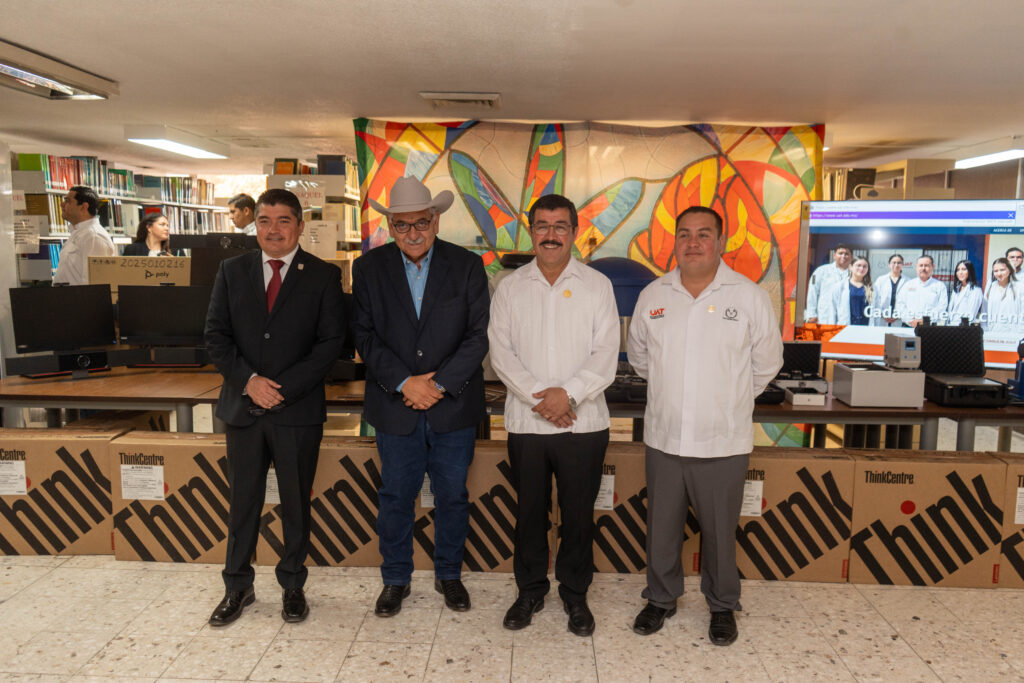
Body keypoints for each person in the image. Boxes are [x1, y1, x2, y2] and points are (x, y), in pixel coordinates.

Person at [626, 206, 783, 645]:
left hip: (722, 441)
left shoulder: (748, 297)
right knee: (662, 528)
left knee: (719, 531)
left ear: (721, 241)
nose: (692, 243)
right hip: (665, 437)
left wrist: (727, 398)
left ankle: (722, 604)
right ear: (674, 241)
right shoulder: (654, 295)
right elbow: (640, 358)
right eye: (684, 234)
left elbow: (767, 363)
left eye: (703, 234)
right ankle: (660, 598)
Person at [204, 188, 346, 626]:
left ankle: (293, 586)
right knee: (242, 501)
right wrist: (249, 382)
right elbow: (215, 335)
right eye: (264, 220)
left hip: (296, 411)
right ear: (255, 225)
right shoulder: (232, 271)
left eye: (284, 220)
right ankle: (237, 587)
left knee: (296, 502)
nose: (273, 230)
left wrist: (281, 389)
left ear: (300, 226)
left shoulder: (323, 275)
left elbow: (331, 343)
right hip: (243, 410)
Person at [353, 176, 489, 617]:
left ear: (436, 220)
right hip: (395, 406)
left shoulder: (467, 266)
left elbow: (477, 336)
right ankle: (395, 579)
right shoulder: (368, 269)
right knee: (396, 496)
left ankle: (449, 575)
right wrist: (405, 382)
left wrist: (437, 385)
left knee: (452, 496)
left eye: (421, 223)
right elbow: (364, 336)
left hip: (453, 406)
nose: (413, 233)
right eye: (402, 224)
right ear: (390, 226)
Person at [487, 194, 618, 637]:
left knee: (579, 514)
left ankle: (575, 594)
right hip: (528, 423)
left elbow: (606, 353)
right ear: (531, 232)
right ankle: (529, 590)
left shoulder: (597, 286)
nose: (550, 235)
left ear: (574, 232)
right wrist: (542, 400)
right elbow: (501, 353)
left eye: (560, 226)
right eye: (542, 226)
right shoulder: (510, 287)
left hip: (584, 424)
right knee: (529, 512)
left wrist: (570, 396)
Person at [53, 185, 116, 285]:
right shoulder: (79, 232)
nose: (62, 204)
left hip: (79, 295)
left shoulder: (94, 237)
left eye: (68, 201)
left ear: (84, 207)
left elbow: (93, 283)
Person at [803, 243, 851, 323]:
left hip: (846, 316)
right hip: (825, 314)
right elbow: (812, 292)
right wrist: (811, 314)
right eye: (840, 253)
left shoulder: (854, 273)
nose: (843, 256)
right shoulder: (821, 271)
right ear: (834, 255)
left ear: (851, 257)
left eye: (846, 254)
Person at [896, 255, 948, 327]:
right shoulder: (908, 285)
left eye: (926, 265)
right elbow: (900, 305)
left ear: (933, 267)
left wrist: (925, 320)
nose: (923, 268)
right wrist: (910, 320)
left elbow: (942, 307)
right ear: (916, 267)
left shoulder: (940, 286)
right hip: (909, 325)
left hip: (930, 327)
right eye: (921, 265)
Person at [819, 257, 872, 325]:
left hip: (866, 327)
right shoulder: (839, 287)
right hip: (845, 326)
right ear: (850, 267)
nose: (861, 268)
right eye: (858, 265)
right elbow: (832, 311)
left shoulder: (871, 288)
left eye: (864, 266)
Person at [983, 257, 1022, 333]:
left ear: (1009, 270)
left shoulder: (1019, 287)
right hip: (992, 331)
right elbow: (984, 311)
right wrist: (985, 329)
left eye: (1002, 270)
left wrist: (1020, 330)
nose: (999, 274)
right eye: (996, 271)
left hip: (1014, 332)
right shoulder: (991, 287)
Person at [871, 254, 907, 327]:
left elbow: (908, 301)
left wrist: (898, 315)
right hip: (882, 318)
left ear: (902, 265)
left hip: (899, 319)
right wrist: (882, 314)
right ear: (889, 264)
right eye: (894, 262)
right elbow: (875, 299)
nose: (896, 265)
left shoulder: (908, 281)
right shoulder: (880, 280)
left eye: (899, 263)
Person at [946, 259, 984, 325]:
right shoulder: (956, 289)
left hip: (964, 327)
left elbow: (971, 313)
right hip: (951, 325)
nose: (960, 272)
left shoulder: (976, 290)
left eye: (964, 269)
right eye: (958, 270)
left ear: (970, 271)